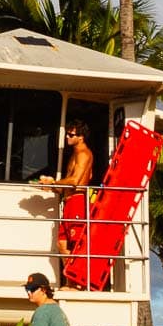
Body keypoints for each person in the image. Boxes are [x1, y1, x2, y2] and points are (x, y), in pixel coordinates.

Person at [39, 119, 93, 289]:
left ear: (81, 137)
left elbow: (75, 181)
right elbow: (67, 185)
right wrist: (52, 186)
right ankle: (72, 280)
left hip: (77, 201)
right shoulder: (75, 154)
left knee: (76, 244)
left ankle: (76, 283)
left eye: (71, 134)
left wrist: (54, 183)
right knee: (62, 244)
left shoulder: (83, 154)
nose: (67, 137)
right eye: (67, 133)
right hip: (69, 201)